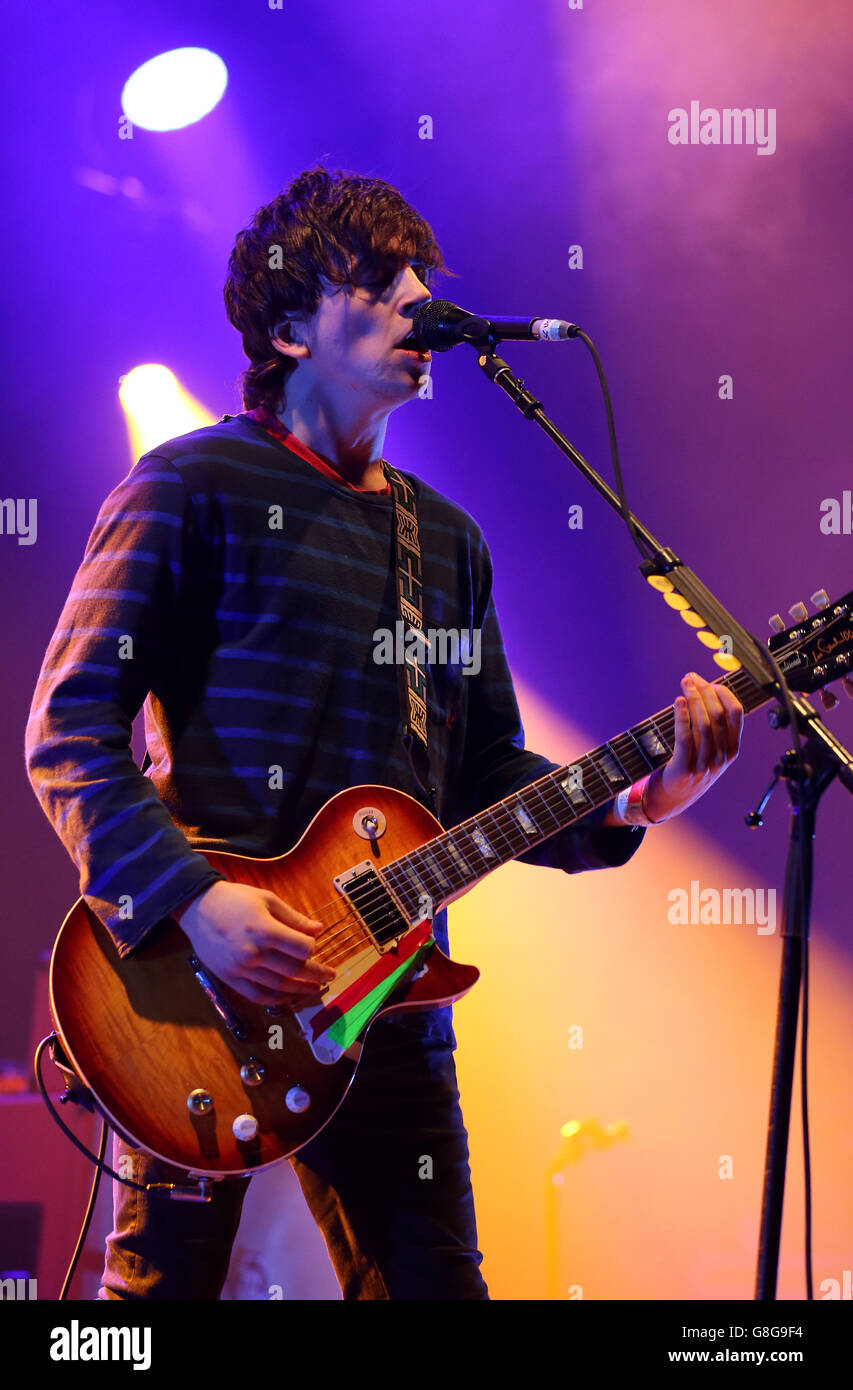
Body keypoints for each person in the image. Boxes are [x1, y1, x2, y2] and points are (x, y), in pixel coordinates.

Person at [24, 166, 743, 1300]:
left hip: (386, 995)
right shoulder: (187, 485)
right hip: (194, 996)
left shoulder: (443, 543)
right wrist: (193, 904)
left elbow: (485, 772)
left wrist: (630, 801)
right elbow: (68, 728)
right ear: (292, 324)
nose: (418, 303)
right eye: (379, 280)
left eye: (419, 277)